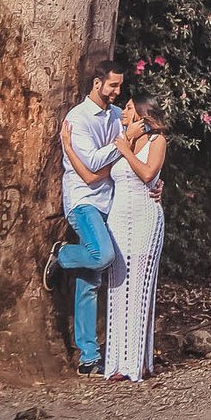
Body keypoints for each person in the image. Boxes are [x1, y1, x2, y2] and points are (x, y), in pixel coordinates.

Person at [64, 95, 168, 382]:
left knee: (140, 290)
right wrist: (69, 148)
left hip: (146, 218)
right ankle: (120, 363)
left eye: (130, 108)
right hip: (119, 220)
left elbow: (148, 174)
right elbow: (91, 176)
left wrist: (126, 149)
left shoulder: (157, 141)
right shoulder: (121, 142)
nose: (123, 111)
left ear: (143, 115)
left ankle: (140, 362)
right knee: (118, 290)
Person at [42, 59, 126, 375]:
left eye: (120, 85)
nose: (117, 91)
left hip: (112, 204)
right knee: (101, 256)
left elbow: (131, 157)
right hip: (84, 203)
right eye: (113, 85)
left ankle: (88, 355)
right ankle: (62, 253)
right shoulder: (77, 119)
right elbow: (90, 171)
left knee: (91, 280)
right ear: (97, 83)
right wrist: (121, 146)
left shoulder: (118, 117)